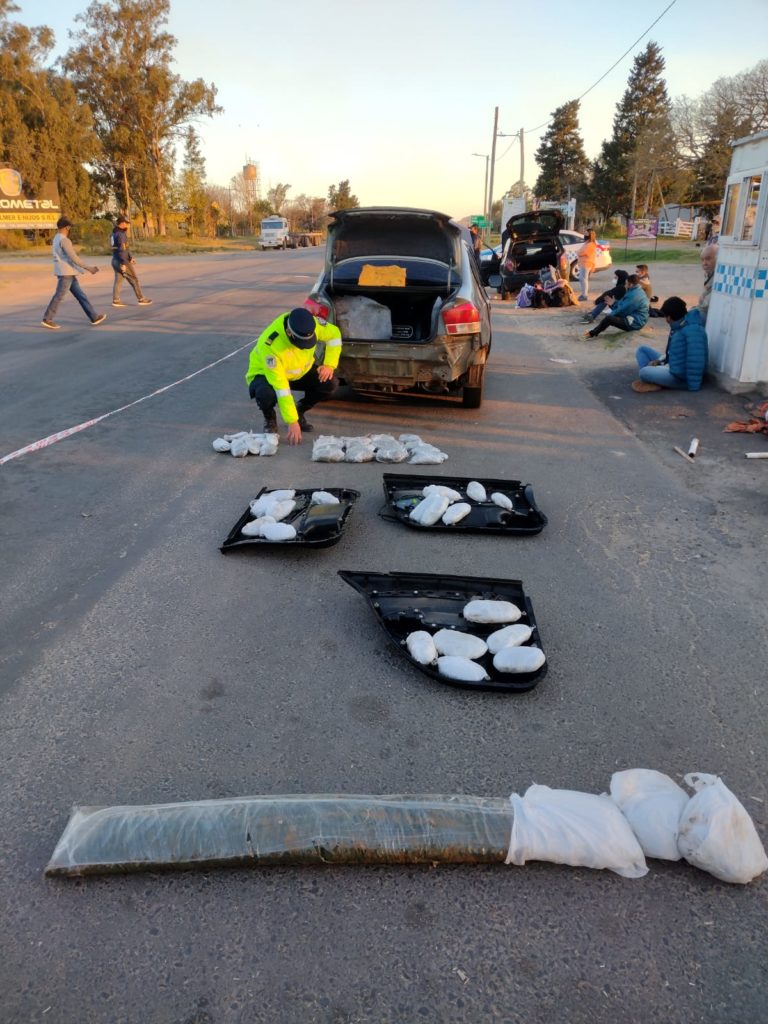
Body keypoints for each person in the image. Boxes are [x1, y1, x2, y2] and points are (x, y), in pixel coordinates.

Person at [245, 307, 342, 445]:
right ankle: (269, 417)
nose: (304, 347)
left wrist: (329, 365)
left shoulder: (311, 324)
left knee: (329, 383)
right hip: (266, 374)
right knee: (265, 394)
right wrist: (292, 421)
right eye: (301, 344)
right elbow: (281, 387)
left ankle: (300, 409)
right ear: (289, 333)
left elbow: (334, 334)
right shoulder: (270, 345)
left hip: (298, 372)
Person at [631, 296, 708, 393]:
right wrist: (660, 360)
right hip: (671, 365)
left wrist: (692, 386)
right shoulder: (680, 325)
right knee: (642, 350)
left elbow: (696, 361)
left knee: (644, 372)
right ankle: (653, 378)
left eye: (665, 317)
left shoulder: (693, 331)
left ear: (669, 317)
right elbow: (673, 353)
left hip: (679, 378)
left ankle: (652, 379)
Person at [40, 217, 106, 330]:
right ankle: (47, 318)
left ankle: (94, 317)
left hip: (66, 272)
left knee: (81, 295)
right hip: (66, 273)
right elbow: (74, 258)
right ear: (67, 227)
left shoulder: (56, 238)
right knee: (59, 296)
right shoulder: (64, 240)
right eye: (69, 227)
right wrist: (89, 268)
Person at [584, 274, 649, 337]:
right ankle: (594, 331)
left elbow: (622, 312)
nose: (625, 285)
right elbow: (623, 304)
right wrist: (614, 304)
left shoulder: (634, 295)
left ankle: (592, 334)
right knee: (610, 313)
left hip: (636, 323)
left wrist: (609, 315)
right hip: (637, 319)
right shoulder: (635, 290)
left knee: (609, 318)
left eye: (626, 283)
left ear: (631, 284)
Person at [110, 215, 152, 307]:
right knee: (134, 279)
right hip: (122, 260)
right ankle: (141, 299)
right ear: (122, 223)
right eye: (127, 223)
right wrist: (124, 263)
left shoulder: (114, 233)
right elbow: (122, 249)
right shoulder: (121, 234)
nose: (128, 225)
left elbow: (121, 248)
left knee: (119, 280)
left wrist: (130, 257)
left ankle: (116, 300)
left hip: (115, 259)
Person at [697, 244, 718, 324]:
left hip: (710, 314)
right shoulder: (709, 273)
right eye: (702, 260)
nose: (704, 263)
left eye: (708, 259)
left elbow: (706, 305)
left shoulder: (720, 276)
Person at [576, 229, 598, 301]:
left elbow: (581, 252)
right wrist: (579, 252)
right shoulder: (587, 243)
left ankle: (584, 295)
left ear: (590, 235)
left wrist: (578, 252)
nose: (584, 235)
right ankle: (584, 294)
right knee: (582, 279)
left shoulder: (591, 244)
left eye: (586, 233)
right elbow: (581, 252)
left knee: (583, 279)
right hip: (584, 263)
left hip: (586, 264)